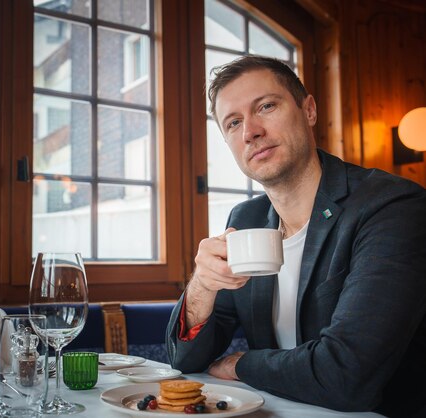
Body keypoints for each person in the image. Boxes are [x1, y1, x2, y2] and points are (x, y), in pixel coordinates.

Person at [166, 55, 426, 418]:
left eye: (267, 106)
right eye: (234, 123)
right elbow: (184, 359)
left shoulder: (391, 206)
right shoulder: (246, 219)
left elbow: (347, 376)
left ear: (309, 110)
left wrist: (242, 364)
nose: (250, 132)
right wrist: (202, 288)